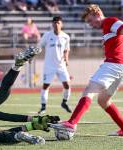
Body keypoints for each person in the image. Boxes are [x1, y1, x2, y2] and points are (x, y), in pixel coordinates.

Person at [50, 4, 123, 136]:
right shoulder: (107, 26)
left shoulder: (110, 21)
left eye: (90, 20)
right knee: (103, 101)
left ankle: (72, 123)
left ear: (97, 14)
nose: (90, 24)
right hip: (119, 67)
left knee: (90, 90)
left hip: (113, 65)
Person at [0, 46, 60, 144]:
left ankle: (18, 136)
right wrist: (33, 123)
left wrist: (35, 119)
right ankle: (17, 66)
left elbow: (5, 117)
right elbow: (7, 116)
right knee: (2, 93)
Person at [38, 16, 72, 114]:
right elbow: (39, 47)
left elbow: (66, 49)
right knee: (46, 85)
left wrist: (66, 58)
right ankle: (43, 106)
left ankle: (64, 103)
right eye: (55, 23)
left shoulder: (66, 37)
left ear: (61, 24)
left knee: (67, 84)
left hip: (61, 65)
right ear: (52, 24)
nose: (56, 24)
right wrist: (32, 56)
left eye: (58, 23)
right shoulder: (47, 35)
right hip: (49, 65)